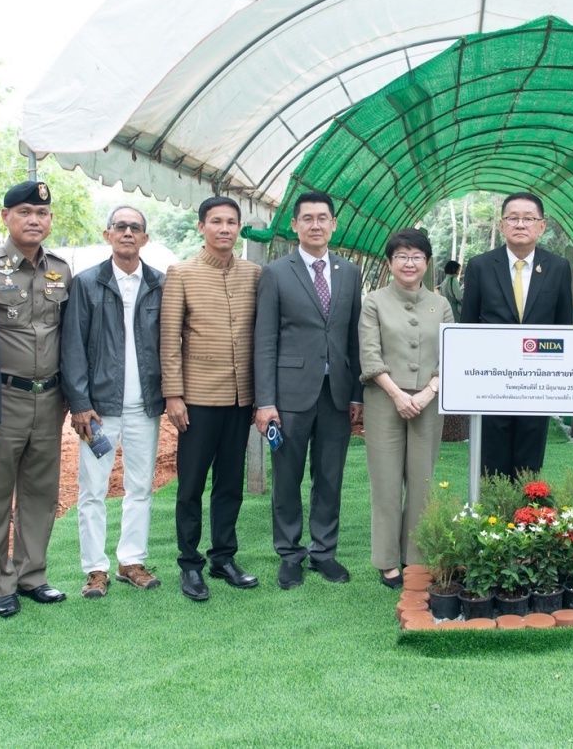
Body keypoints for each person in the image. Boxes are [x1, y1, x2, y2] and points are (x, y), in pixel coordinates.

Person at [0, 180, 72, 619]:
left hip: (49, 399)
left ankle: (32, 575)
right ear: (5, 217)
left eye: (41, 213)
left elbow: (68, 337)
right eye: (25, 212)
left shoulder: (60, 270)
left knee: (40, 493)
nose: (34, 220)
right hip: (1, 399)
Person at [254, 191, 363, 590]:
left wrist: (356, 394)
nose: (315, 225)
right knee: (287, 477)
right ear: (295, 225)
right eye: (307, 218)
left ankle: (324, 552)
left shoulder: (349, 272)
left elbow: (353, 336)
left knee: (330, 476)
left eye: (322, 218)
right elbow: (265, 339)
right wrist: (266, 401)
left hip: (336, 393)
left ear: (334, 224)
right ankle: (289, 554)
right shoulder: (276, 273)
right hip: (289, 394)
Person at [61, 206, 166, 598]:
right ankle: (95, 569)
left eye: (135, 227)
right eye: (120, 226)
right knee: (93, 489)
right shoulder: (87, 283)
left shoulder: (159, 284)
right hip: (99, 410)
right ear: (107, 234)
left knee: (140, 487)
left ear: (145, 238)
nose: (127, 232)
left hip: (145, 406)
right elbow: (72, 346)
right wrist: (79, 402)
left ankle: (131, 561)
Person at [160, 196, 262, 601]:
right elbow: (169, 339)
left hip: (240, 399)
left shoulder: (253, 274)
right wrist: (173, 394)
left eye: (231, 222)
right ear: (201, 226)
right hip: (197, 400)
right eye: (216, 221)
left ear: (239, 228)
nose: (224, 228)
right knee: (191, 486)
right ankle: (190, 563)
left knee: (230, 484)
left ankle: (223, 557)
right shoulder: (181, 273)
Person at [359, 229, 452, 587]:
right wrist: (398, 394)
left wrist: (429, 392)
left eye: (416, 257)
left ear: (427, 263)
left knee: (421, 480)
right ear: (390, 262)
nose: (409, 263)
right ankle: (386, 559)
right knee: (385, 482)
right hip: (384, 401)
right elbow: (370, 354)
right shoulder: (374, 302)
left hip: (429, 403)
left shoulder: (440, 305)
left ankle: (416, 556)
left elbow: (450, 353)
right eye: (401, 256)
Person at [459, 191, 573, 478]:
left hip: (538, 378)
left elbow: (564, 327)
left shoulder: (558, 267)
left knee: (530, 457)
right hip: (491, 377)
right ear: (501, 225)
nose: (520, 224)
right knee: (492, 455)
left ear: (541, 226)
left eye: (528, 218)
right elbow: (468, 326)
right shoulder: (480, 266)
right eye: (513, 218)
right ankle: (493, 506)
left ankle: (528, 506)